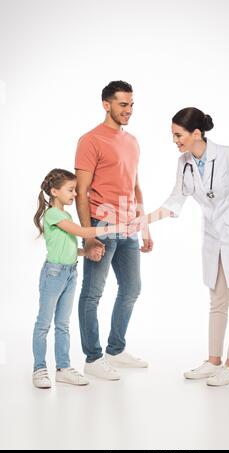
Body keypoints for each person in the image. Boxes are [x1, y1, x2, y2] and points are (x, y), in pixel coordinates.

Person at [131, 107, 229, 386]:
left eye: (178, 135)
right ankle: (213, 361)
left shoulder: (228, 154)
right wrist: (145, 220)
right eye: (172, 136)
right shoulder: (184, 162)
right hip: (213, 237)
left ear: (196, 133)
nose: (175, 141)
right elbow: (174, 201)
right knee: (216, 302)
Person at [75, 81, 153, 381]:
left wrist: (144, 228)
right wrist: (88, 234)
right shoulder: (90, 140)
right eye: (123, 104)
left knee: (131, 288)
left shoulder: (132, 140)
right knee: (92, 293)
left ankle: (116, 350)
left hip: (128, 226)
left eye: (132, 104)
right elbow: (81, 192)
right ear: (106, 104)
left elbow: (135, 185)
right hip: (101, 224)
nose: (129, 110)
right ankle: (92, 358)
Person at [32, 168, 126, 388]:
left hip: (70, 272)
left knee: (63, 324)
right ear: (54, 191)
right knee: (43, 324)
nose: (75, 194)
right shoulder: (53, 214)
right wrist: (117, 227)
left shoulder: (66, 215)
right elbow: (83, 233)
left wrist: (86, 253)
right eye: (71, 190)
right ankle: (39, 369)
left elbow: (67, 247)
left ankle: (63, 368)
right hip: (54, 273)